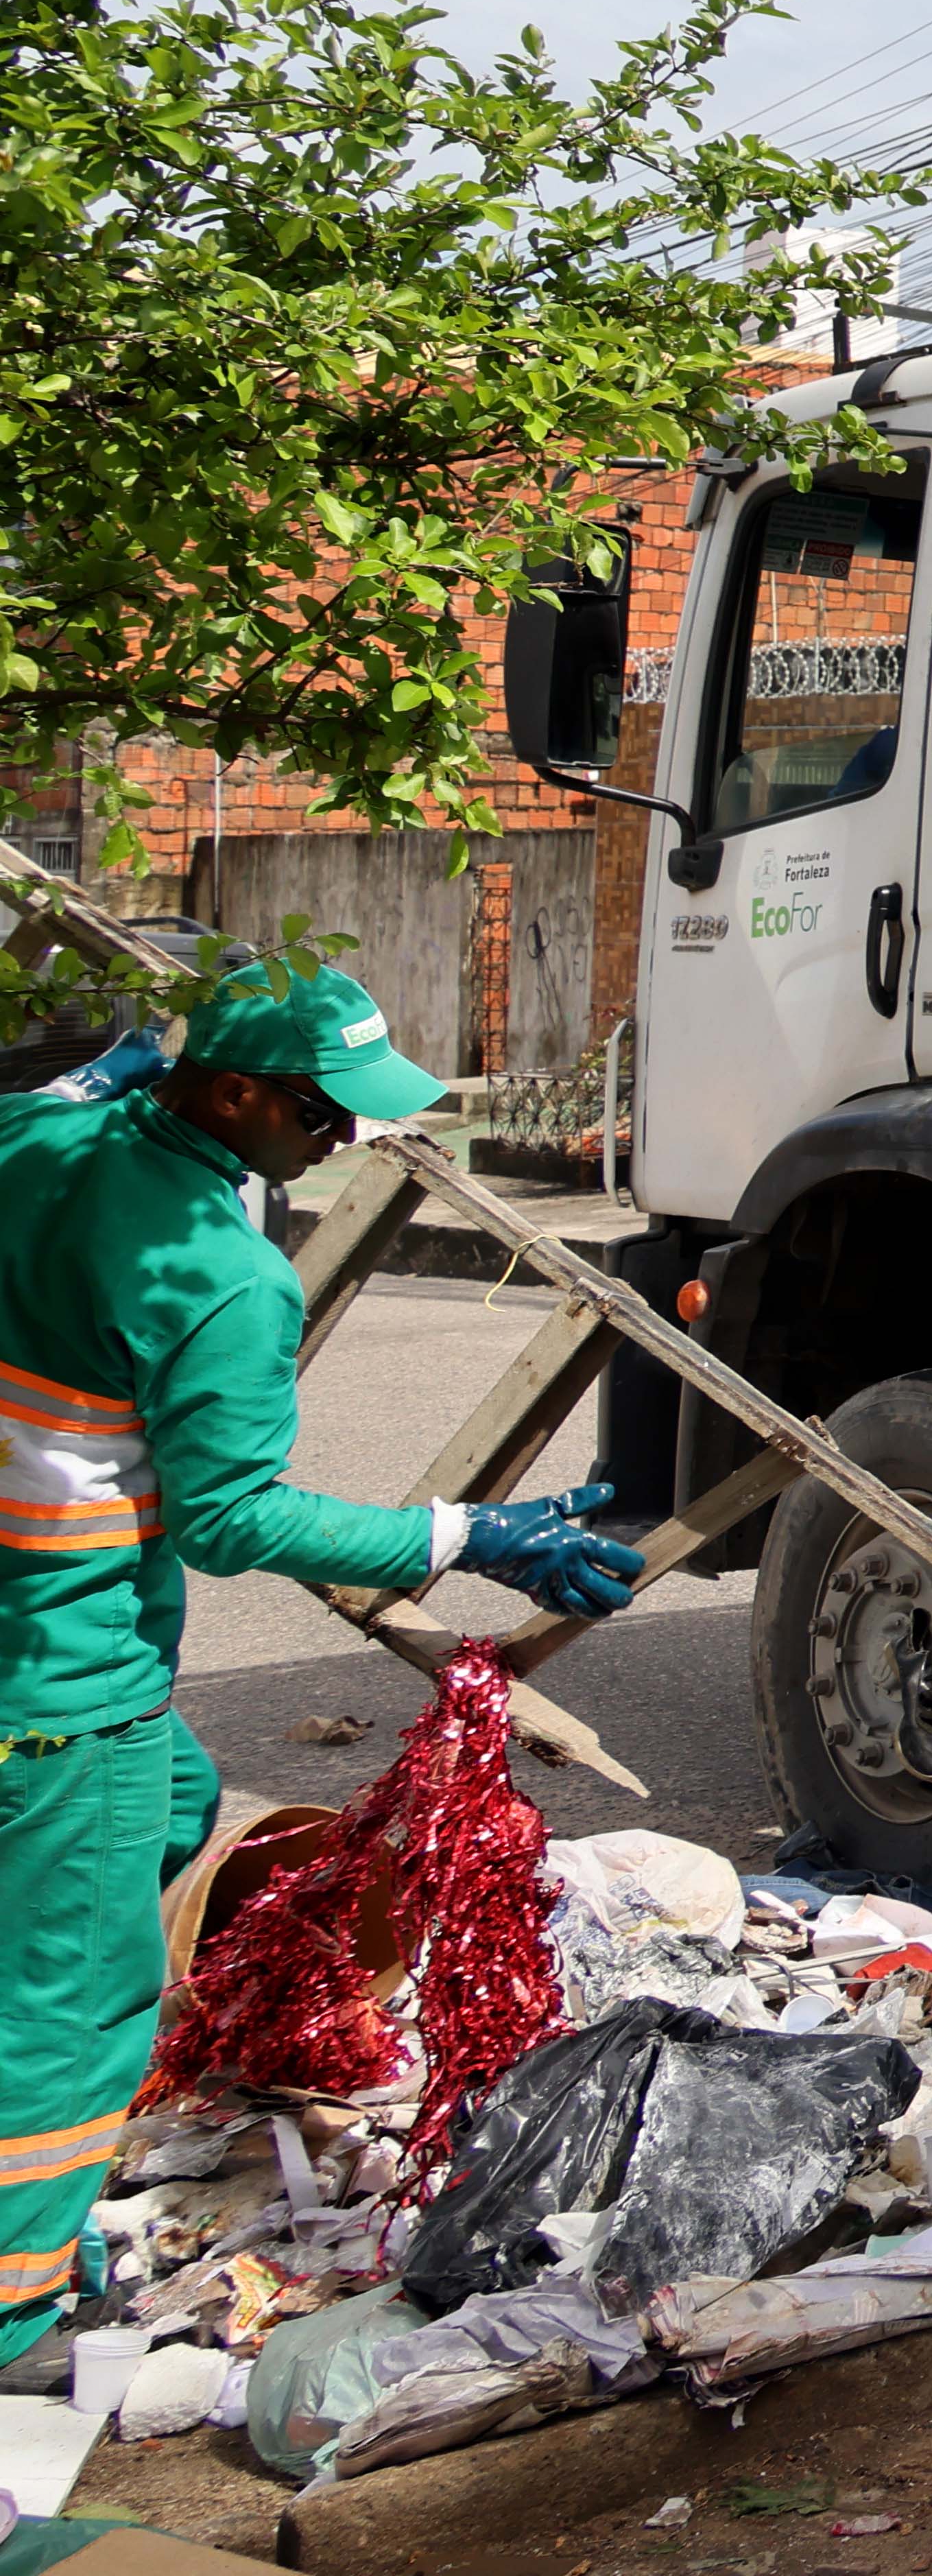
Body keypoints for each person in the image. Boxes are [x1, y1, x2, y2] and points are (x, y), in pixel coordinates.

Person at [0, 958, 641, 2365]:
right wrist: (473, 1532)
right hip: (59, 1674)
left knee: (178, 1800)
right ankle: (16, 2298)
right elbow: (232, 1516)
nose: (340, 1137)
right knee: (77, 2004)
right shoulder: (218, 1275)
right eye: (316, 1107)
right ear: (229, 1091)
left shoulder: (39, 1144)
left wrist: (84, 1081)